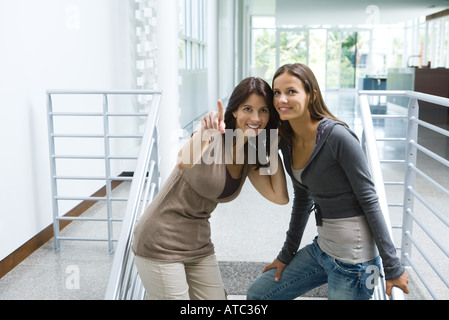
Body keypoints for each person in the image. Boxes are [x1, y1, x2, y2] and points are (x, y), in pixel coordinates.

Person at [247, 63, 409, 300]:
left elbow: (370, 200)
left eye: (291, 91)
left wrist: (392, 266)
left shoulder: (337, 137)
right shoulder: (287, 141)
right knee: (259, 294)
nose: (282, 99)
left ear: (311, 95)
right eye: (277, 92)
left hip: (355, 263)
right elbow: (302, 199)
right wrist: (286, 254)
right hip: (322, 249)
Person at [132, 77, 289, 300]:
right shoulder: (213, 133)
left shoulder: (252, 153)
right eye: (247, 109)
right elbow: (183, 161)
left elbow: (280, 197)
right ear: (234, 111)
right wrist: (204, 136)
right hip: (160, 239)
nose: (256, 118)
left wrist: (273, 144)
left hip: (198, 243)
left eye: (263, 110)